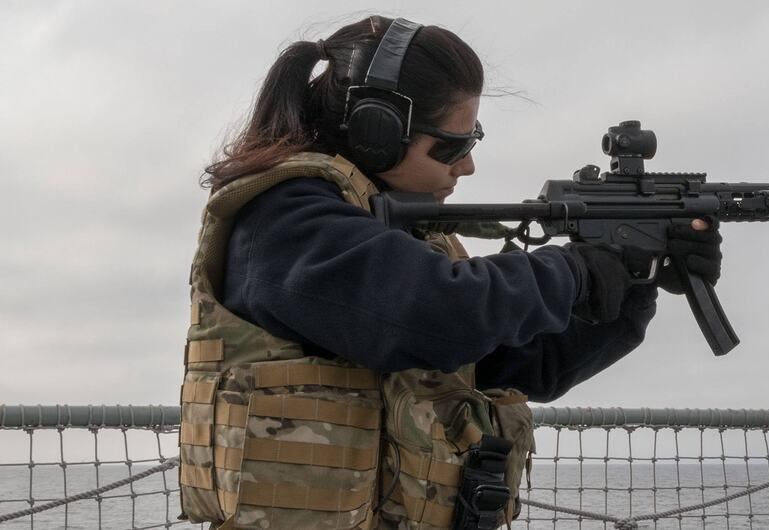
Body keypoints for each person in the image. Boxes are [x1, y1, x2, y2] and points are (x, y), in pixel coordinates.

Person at [177, 15, 722, 530]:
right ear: (375, 132)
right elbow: (431, 314)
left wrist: (633, 278)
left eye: (473, 141)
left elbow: (534, 364)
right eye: (452, 145)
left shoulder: (405, 238)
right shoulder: (287, 218)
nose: (467, 165)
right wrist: (574, 269)